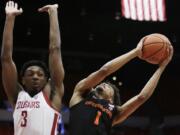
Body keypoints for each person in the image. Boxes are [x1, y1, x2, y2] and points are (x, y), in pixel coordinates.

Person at [69, 38, 173, 135]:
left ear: (111, 100)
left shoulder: (115, 112)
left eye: (108, 86)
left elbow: (142, 97)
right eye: (102, 83)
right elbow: (104, 71)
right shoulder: (81, 93)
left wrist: (162, 67)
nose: (103, 83)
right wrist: (135, 52)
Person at [1, 1, 64, 135]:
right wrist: (10, 18)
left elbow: (55, 49)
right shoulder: (17, 96)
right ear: (22, 80)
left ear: (47, 80)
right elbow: (6, 59)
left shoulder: (52, 93)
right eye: (30, 74)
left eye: (40, 74)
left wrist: (53, 14)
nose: (35, 76)